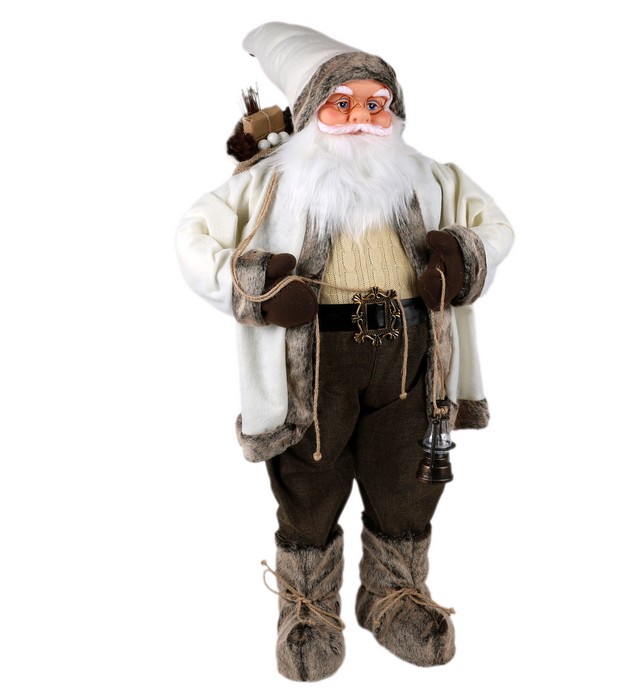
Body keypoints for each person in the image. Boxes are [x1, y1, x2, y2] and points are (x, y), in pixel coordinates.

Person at [176, 22, 513, 682]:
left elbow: (493, 225)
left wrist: (462, 256)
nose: (361, 115)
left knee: (408, 477)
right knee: (309, 479)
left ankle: (394, 594)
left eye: (376, 103)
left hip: (411, 358)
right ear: (310, 112)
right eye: (342, 102)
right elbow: (193, 236)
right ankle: (307, 606)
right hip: (314, 363)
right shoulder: (269, 182)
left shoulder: (430, 177)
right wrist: (257, 288)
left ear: (396, 110)